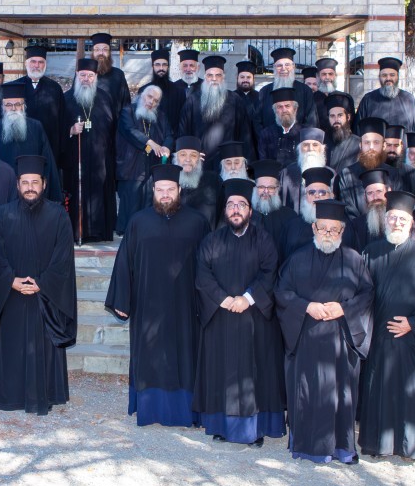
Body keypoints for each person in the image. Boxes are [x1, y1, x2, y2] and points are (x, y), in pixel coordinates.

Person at [106, 163, 211, 427]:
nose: (165, 195)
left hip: (186, 305)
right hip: (146, 304)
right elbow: (125, 262)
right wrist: (122, 300)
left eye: (170, 189)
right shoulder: (138, 222)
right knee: (149, 357)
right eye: (160, 190)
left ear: (179, 190)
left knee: (185, 357)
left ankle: (186, 411)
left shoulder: (197, 222)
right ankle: (150, 409)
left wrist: (207, 301)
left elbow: (208, 265)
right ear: (153, 190)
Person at [276, 201, 373, 464]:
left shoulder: (354, 260)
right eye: (322, 228)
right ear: (313, 228)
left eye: (333, 229)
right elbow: (282, 293)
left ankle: (342, 448)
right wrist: (307, 306)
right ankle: (306, 447)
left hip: (340, 341)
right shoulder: (297, 259)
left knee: (341, 393)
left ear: (342, 231)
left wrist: (343, 309)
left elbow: (367, 295)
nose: (327, 234)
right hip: (306, 339)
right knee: (306, 392)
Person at [192, 179, 285, 446]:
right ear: (224, 211)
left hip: (254, 320)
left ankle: (256, 429)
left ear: (250, 211)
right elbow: (203, 275)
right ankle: (221, 426)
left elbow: (270, 272)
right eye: (231, 205)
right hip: (221, 318)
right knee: (221, 373)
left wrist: (247, 298)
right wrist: (223, 299)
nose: (235, 209)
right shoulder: (211, 241)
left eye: (241, 205)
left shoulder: (264, 240)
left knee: (256, 373)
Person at [0, 156, 78, 414]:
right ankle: (9, 397)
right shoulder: (3, 214)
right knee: (11, 344)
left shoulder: (58, 215)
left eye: (34, 182)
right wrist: (11, 280)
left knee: (44, 346)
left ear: (44, 184)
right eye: (25, 182)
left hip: (46, 297)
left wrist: (42, 283)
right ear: (17, 184)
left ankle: (46, 395)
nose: (30, 187)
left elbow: (63, 258)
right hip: (12, 295)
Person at [357, 191, 415, 463]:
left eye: (402, 219)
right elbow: (361, 293)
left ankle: (410, 448)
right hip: (379, 337)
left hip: (412, 339)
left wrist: (412, 324)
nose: (396, 223)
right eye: (392, 218)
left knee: (410, 393)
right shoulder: (370, 252)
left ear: (411, 221)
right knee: (378, 390)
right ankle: (377, 444)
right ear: (385, 220)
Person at [65, 58, 118, 241]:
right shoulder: (66, 99)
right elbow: (57, 128)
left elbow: (113, 128)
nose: (86, 79)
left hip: (100, 159)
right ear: (76, 75)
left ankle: (99, 232)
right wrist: (70, 130)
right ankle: (77, 232)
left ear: (95, 76)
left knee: (100, 192)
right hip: (75, 158)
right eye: (82, 75)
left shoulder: (105, 98)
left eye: (90, 75)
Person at [116, 84, 172, 234]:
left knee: (148, 201)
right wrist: (150, 143)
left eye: (156, 100)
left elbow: (169, 135)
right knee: (131, 202)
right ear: (142, 95)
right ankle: (128, 233)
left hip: (151, 166)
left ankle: (145, 232)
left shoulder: (160, 116)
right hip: (131, 166)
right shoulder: (128, 111)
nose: (151, 102)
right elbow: (130, 131)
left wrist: (166, 147)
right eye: (149, 97)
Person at [182, 55, 255, 165]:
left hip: (228, 162)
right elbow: (184, 131)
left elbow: (245, 134)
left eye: (218, 75)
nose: (214, 79)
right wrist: (191, 152)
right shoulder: (193, 100)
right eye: (210, 75)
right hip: (200, 162)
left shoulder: (235, 100)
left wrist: (247, 164)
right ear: (205, 77)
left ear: (223, 77)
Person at [10, 45, 69, 173]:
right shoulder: (15, 88)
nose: (36, 65)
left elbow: (63, 120)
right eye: (33, 61)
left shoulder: (55, 88)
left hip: (49, 146)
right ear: (26, 63)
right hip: (22, 146)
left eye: (40, 62)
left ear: (45, 65)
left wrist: (62, 150)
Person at [256, 47, 318, 130]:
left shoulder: (305, 91)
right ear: (274, 68)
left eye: (287, 65)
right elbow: (257, 121)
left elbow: (311, 121)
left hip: (299, 138)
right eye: (279, 65)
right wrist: (265, 136)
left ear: (293, 67)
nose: (283, 68)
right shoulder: (264, 91)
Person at [356, 56, 415, 131]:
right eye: (384, 75)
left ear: (397, 77)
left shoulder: (409, 99)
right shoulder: (368, 99)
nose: (388, 78)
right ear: (379, 77)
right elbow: (358, 129)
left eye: (392, 75)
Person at [175, 137, 223, 227]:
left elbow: (222, 214)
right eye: (183, 155)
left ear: (199, 159)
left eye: (193, 155)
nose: (188, 159)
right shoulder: (168, 182)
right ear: (176, 158)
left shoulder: (213, 180)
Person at [256, 87, 303, 166]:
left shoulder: (304, 133)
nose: (284, 110)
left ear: (295, 109)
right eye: (280, 107)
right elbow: (264, 162)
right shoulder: (266, 134)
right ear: (275, 111)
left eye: (287, 106)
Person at [147, 48, 189, 130]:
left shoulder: (179, 91)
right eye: (157, 65)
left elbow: (182, 121)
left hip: (173, 136)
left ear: (168, 67)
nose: (161, 68)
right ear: (152, 66)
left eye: (164, 65)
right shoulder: (144, 91)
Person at [89, 32, 130, 107]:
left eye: (105, 50)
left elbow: (126, 104)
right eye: (97, 49)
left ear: (109, 52)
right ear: (93, 52)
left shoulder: (118, 74)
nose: (101, 53)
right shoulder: (83, 74)